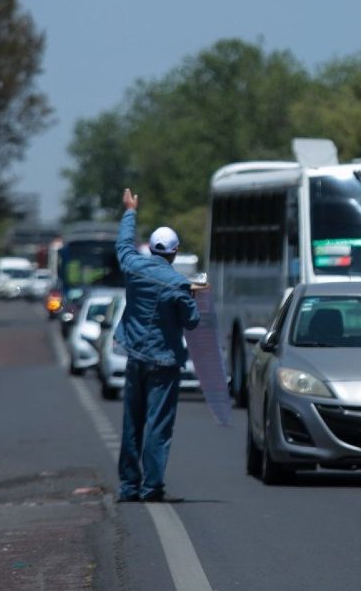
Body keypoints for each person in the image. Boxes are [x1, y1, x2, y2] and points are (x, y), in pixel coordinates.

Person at [115, 188, 200, 503]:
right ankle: (151, 487)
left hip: (135, 356)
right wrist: (192, 295)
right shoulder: (178, 285)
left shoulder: (133, 268)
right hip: (164, 362)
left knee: (131, 424)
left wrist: (130, 211)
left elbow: (123, 244)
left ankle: (128, 487)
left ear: (150, 248)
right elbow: (191, 322)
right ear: (175, 252)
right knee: (158, 427)